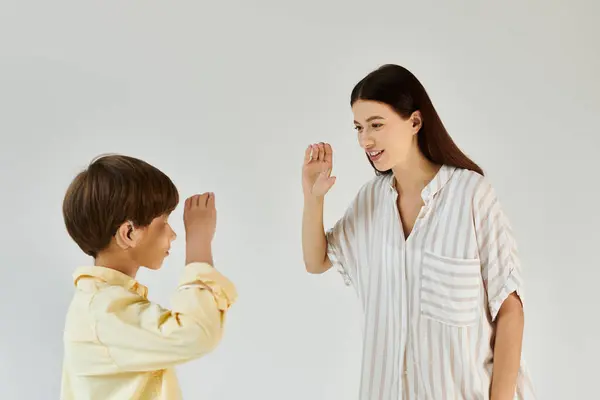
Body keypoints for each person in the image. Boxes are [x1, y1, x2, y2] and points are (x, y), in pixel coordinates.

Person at [301, 64, 535, 399]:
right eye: (358, 127)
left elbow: (510, 309)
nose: (365, 139)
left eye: (376, 125)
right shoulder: (371, 199)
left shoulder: (471, 195)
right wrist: (313, 197)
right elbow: (316, 260)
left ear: (414, 122)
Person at [60, 154, 237, 399]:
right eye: (163, 222)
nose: (173, 234)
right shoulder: (103, 310)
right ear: (129, 233)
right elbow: (196, 334)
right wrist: (198, 243)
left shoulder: (104, 302)